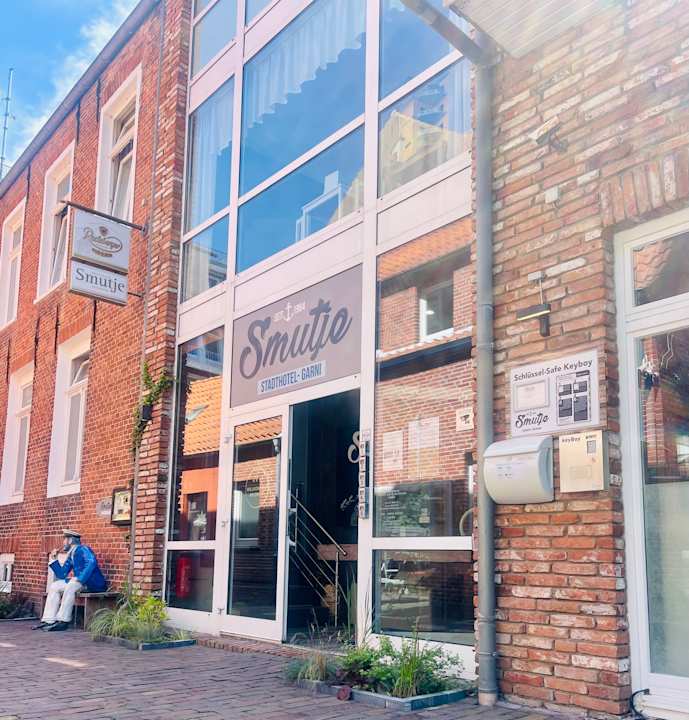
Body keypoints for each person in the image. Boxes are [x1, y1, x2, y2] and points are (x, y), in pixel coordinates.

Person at [33, 529, 107, 632]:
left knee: (71, 585)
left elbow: (91, 562)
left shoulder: (83, 549)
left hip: (92, 583)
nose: (63, 543)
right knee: (55, 586)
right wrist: (54, 559)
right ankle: (49, 620)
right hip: (79, 583)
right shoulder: (71, 555)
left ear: (70, 540)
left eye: (64, 540)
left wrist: (80, 578)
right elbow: (62, 574)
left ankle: (63, 621)